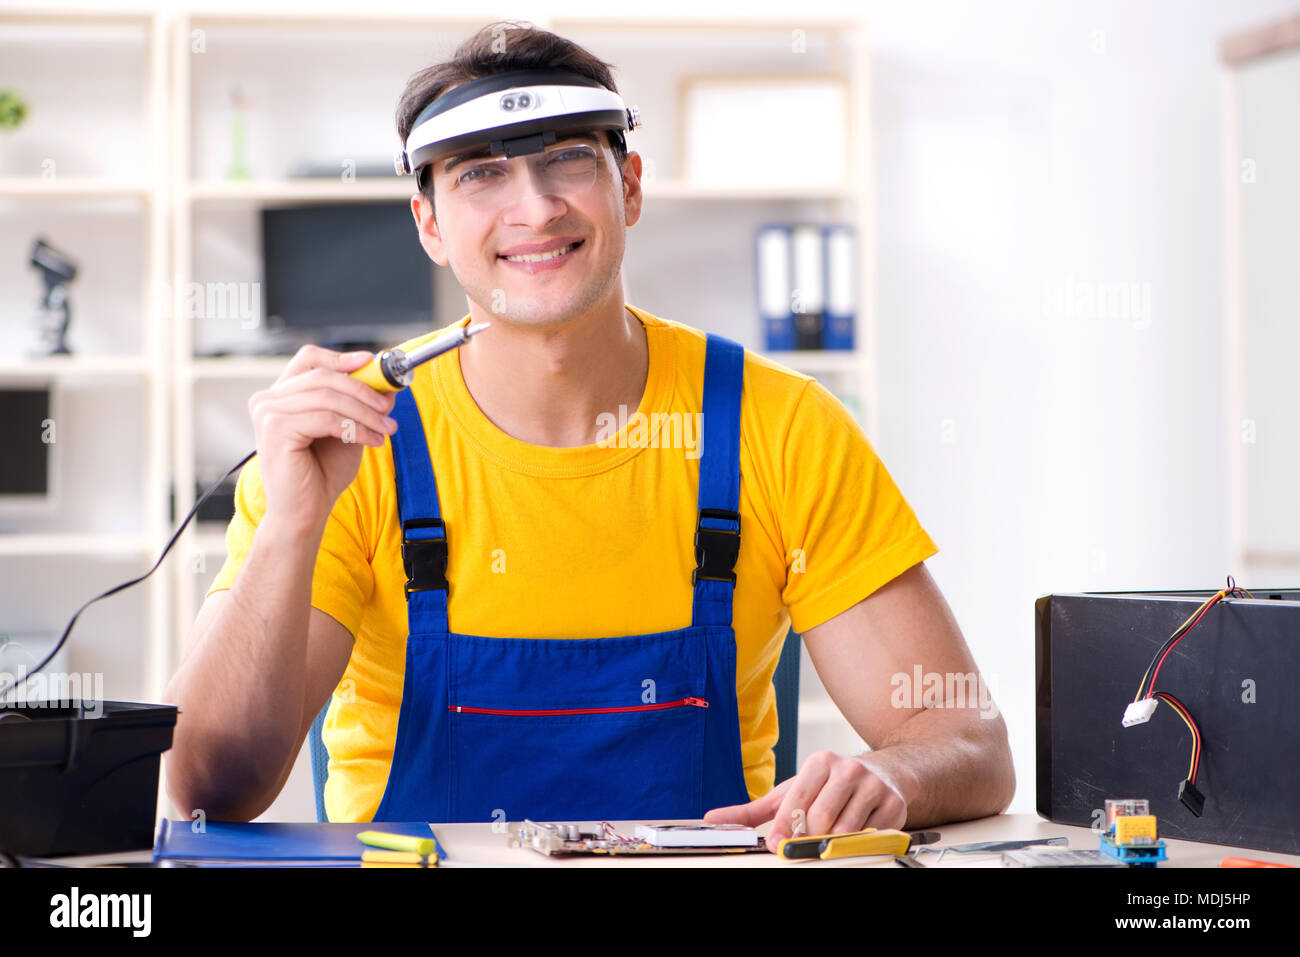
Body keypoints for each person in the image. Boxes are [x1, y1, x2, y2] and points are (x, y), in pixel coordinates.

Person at [163, 21, 1014, 851]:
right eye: (481, 175)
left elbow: (968, 742)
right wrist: (289, 524)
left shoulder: (783, 427)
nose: (533, 208)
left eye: (567, 159)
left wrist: (896, 775)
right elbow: (207, 788)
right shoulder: (354, 446)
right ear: (428, 224)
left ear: (630, 186)